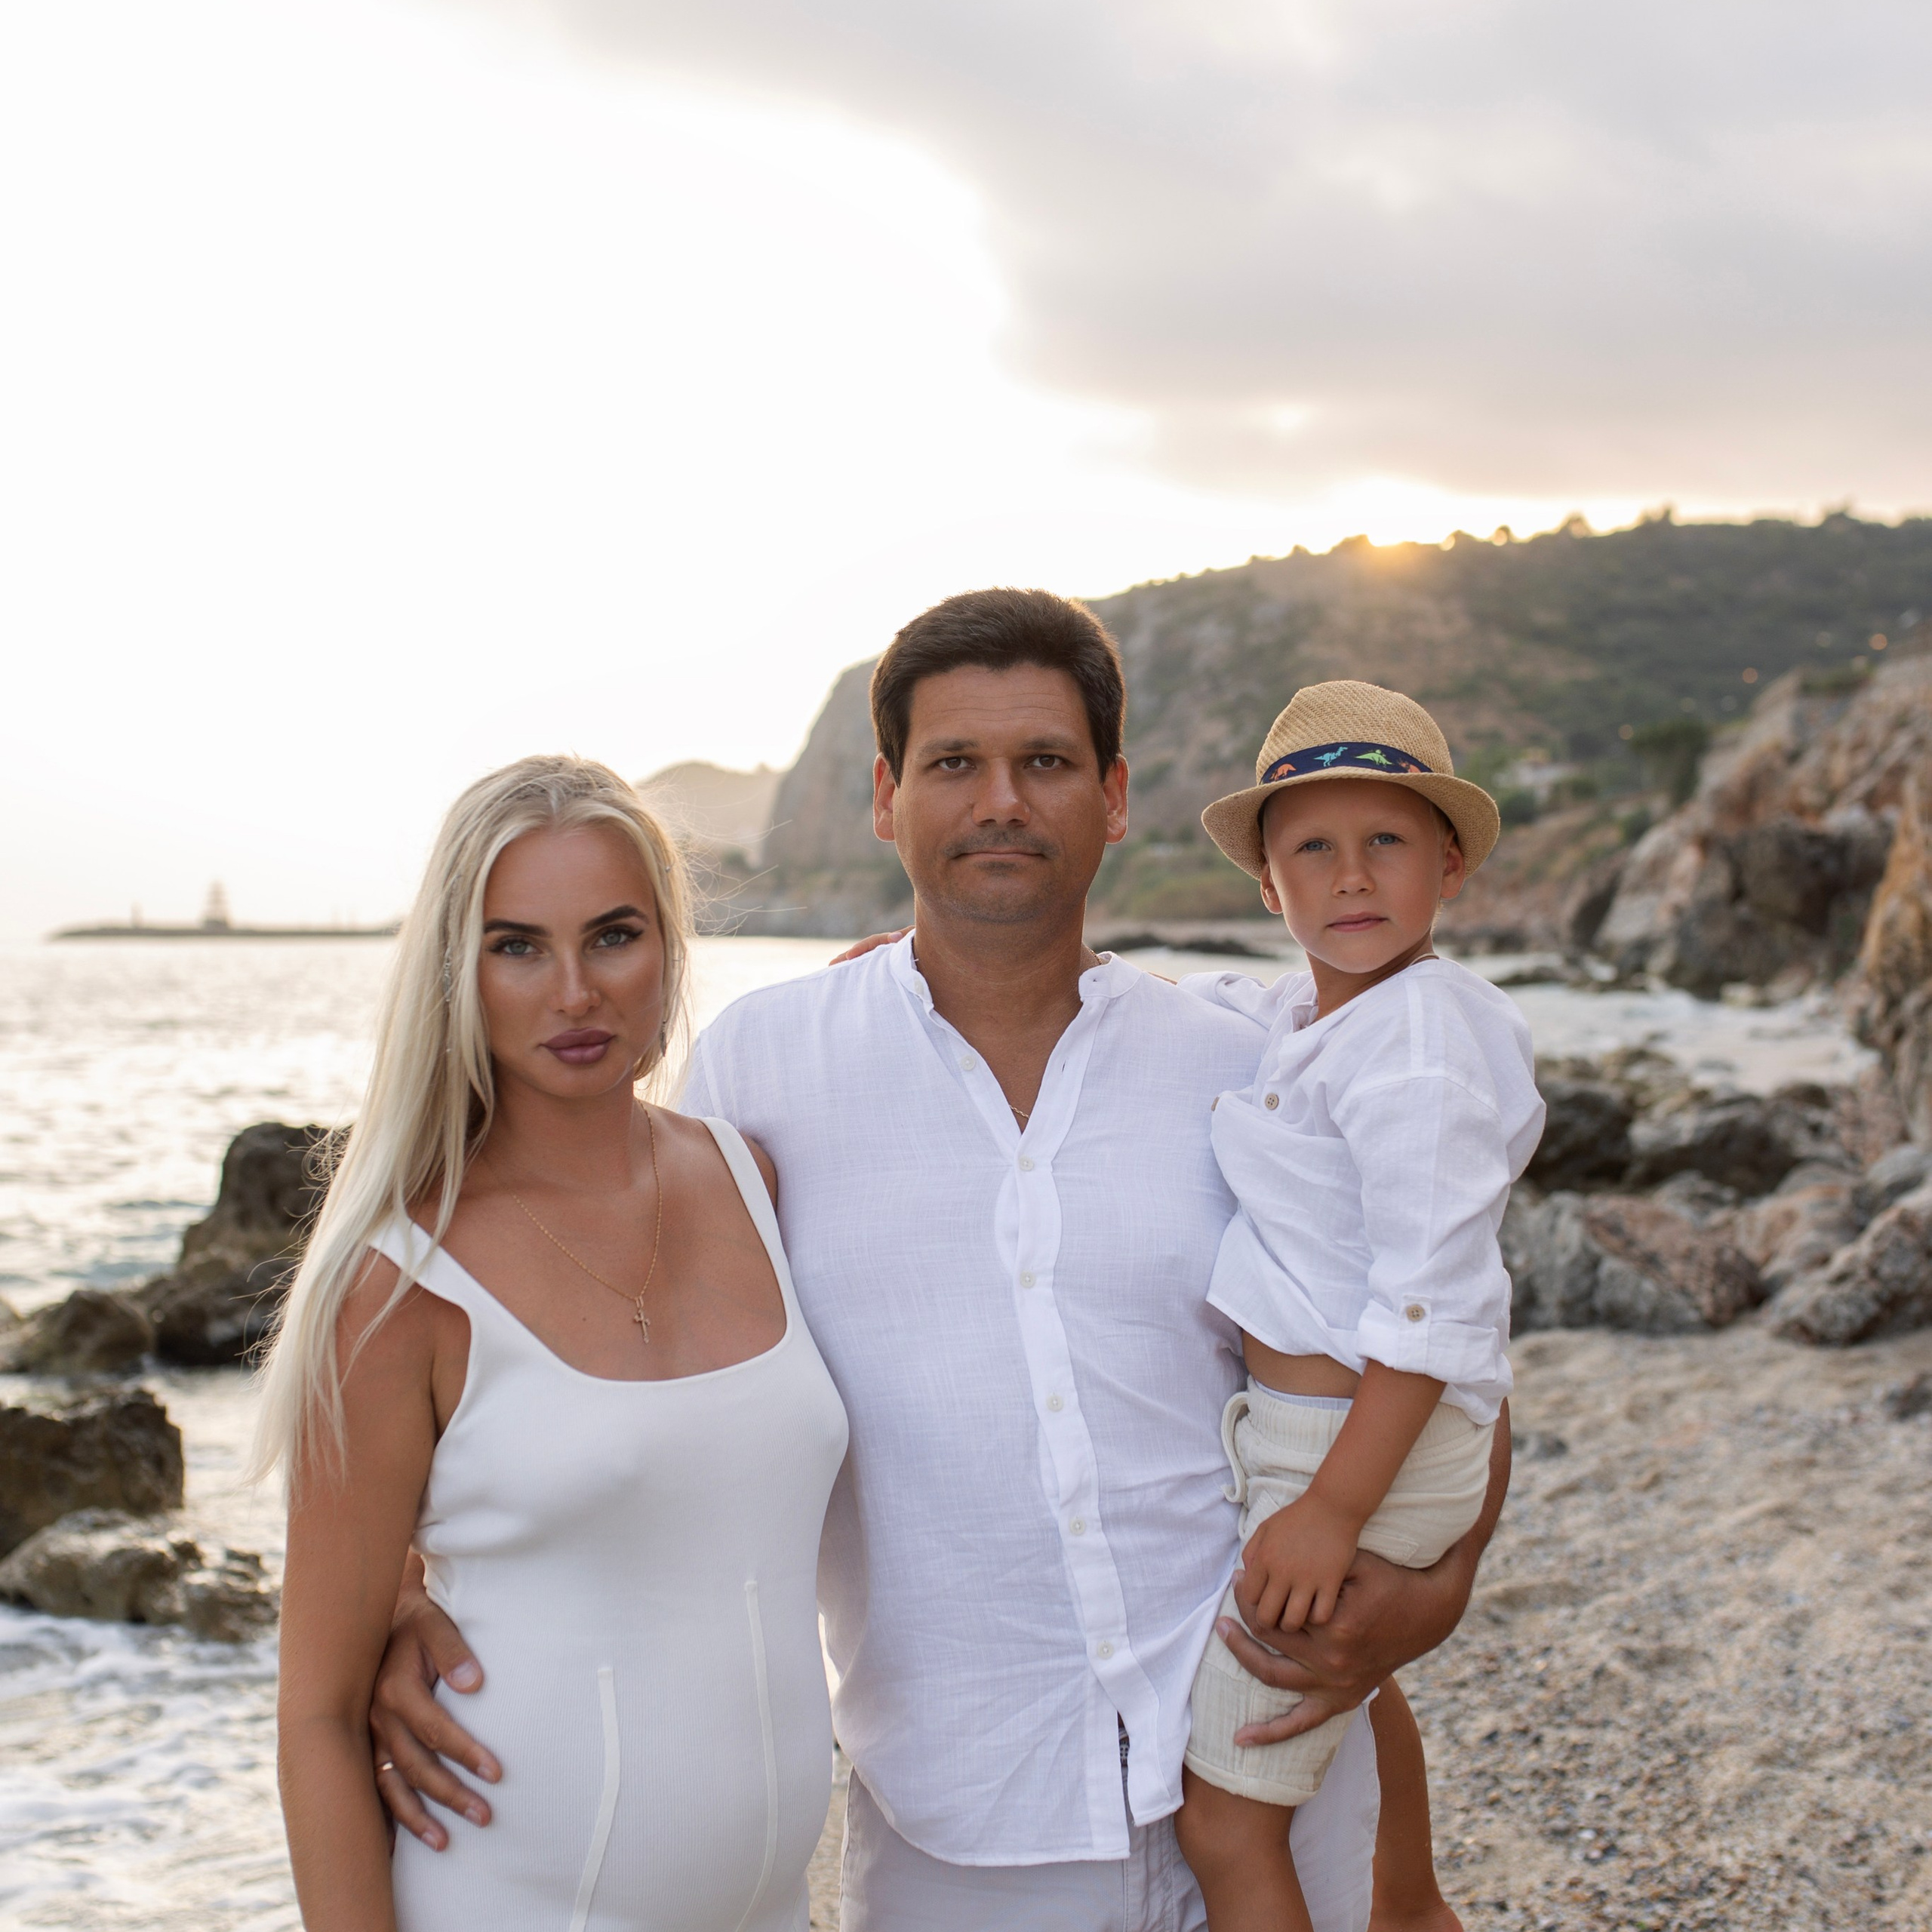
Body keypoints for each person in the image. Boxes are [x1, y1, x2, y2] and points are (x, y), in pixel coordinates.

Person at [368, 593, 1512, 1932]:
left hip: (1269, 1779)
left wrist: (1431, 1595)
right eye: (955, 764)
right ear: (885, 797)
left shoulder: (1252, 1066)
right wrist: (391, 1585)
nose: (1001, 803)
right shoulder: (766, 1071)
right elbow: (563, 1321)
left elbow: (1446, 1348)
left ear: (1116, 796)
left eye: (1046, 762)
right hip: (962, 1835)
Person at [259, 755, 848, 1932]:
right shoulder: (401, 1284)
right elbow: (318, 1717)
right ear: (456, 973)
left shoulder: (756, 1180)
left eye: (614, 936)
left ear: (670, 948)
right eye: (518, 945)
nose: (575, 991)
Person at [1168, 682, 1545, 1932]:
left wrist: (1332, 1510)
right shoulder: (1316, 1013)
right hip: (1341, 1439)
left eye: (1384, 841)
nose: (1349, 878)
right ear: (1268, 891)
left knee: (1224, 1814)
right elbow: (1195, 1005)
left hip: (1350, 1449)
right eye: (1310, 850)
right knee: (1351, 1688)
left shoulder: (1418, 1043)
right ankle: (1414, 1910)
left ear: (1449, 862)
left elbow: (1432, 1308)